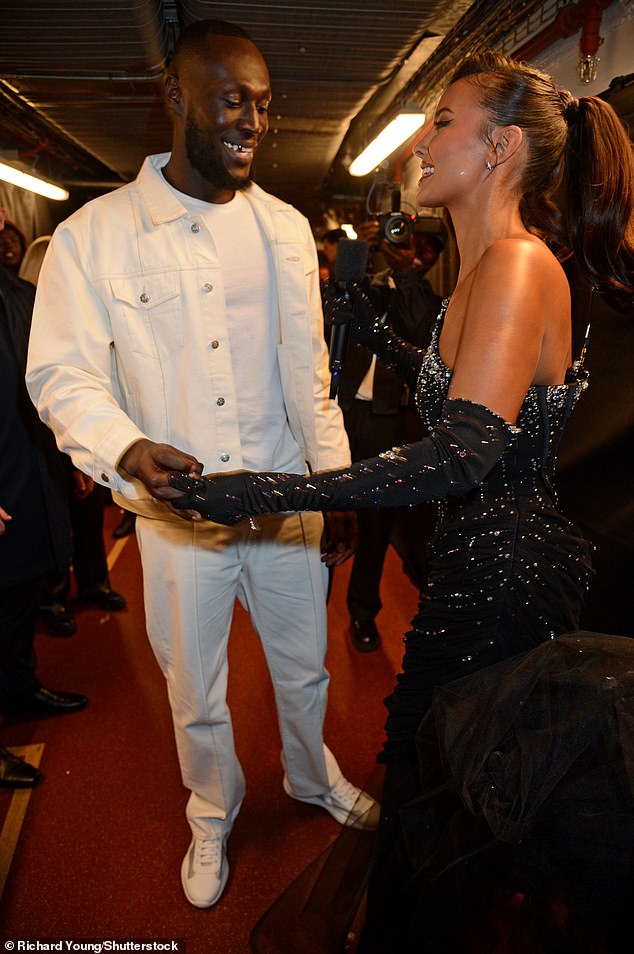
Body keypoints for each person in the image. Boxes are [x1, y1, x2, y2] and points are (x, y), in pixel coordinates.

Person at [165, 51, 633, 950]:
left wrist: (265, 491)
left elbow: (460, 456)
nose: (423, 142)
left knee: (443, 811)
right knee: (433, 792)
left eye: (442, 122)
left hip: (499, 585)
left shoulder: (515, 266)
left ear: (497, 147)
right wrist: (367, 318)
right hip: (477, 570)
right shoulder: (483, 270)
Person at [26, 18, 375, 910]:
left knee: (307, 670)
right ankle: (211, 813)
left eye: (263, 105)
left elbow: (314, 378)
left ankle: (311, 777)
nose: (253, 121)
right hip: (178, 522)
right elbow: (61, 373)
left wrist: (334, 491)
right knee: (197, 689)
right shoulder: (93, 237)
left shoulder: (289, 230)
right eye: (232, 100)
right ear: (175, 97)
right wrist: (127, 448)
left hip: (286, 505)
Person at [335, 219, 443, 651]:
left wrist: (402, 272)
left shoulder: (434, 302)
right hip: (350, 416)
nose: (416, 253)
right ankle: (340, 610)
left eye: (427, 249)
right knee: (348, 520)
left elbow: (417, 327)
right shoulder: (371, 290)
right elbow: (333, 302)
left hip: (399, 423)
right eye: (405, 243)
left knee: (397, 526)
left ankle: (382, 613)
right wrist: (356, 251)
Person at [0, 207, 88, 734]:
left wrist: (71, 454)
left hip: (28, 466)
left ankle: (18, 687)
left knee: (21, 595)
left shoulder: (21, 295)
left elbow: (49, 388)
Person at [19, 236, 127, 637]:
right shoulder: (22, 306)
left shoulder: (79, 312)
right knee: (53, 519)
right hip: (37, 435)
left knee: (87, 511)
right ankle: (54, 594)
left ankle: (95, 582)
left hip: (80, 430)